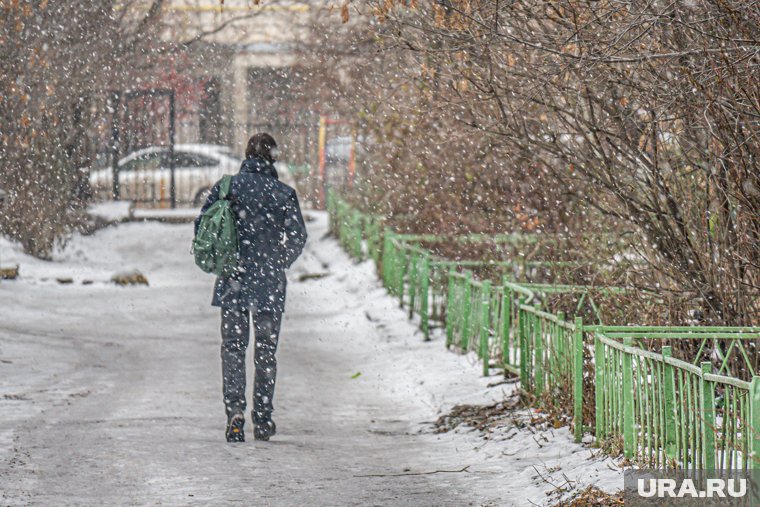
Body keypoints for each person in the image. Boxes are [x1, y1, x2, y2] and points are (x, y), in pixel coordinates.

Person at [195, 133, 307, 442]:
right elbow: (298, 236)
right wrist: (278, 259)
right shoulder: (283, 193)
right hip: (269, 284)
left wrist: (226, 256)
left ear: (246, 155)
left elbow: (203, 226)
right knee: (265, 352)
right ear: (273, 157)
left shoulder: (228, 187)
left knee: (233, 347)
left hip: (234, 280)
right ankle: (263, 417)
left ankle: (235, 410)